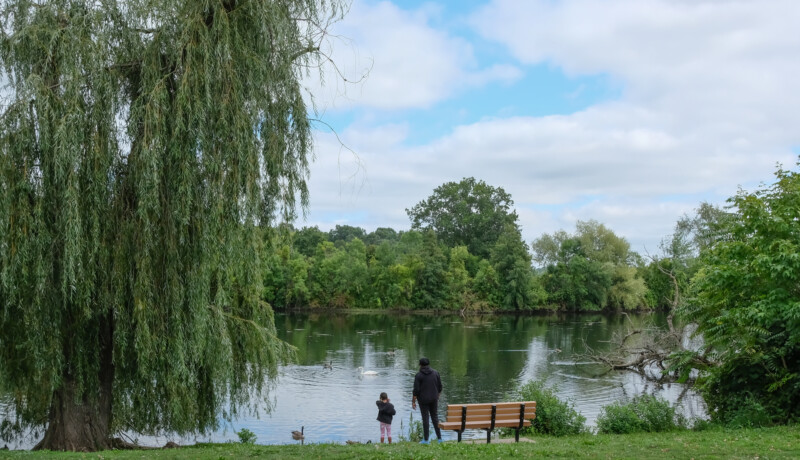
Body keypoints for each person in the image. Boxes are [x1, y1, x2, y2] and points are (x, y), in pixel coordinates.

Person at [411, 357, 443, 444]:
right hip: (434, 399)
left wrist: (413, 402)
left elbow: (416, 391)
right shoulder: (436, 373)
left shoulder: (419, 375)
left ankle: (426, 440)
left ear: (420, 365)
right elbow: (440, 387)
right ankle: (439, 438)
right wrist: (437, 396)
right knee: (435, 418)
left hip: (423, 400)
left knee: (425, 419)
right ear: (428, 364)